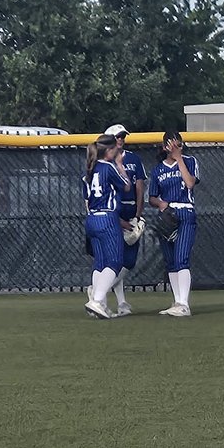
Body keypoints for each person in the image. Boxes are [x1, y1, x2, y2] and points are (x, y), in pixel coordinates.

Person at [147, 130, 200, 316]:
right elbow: (151, 197)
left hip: (185, 212)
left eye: (179, 144)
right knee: (170, 261)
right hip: (167, 214)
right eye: (172, 144)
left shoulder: (190, 161)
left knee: (181, 258)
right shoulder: (158, 170)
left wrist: (179, 158)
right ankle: (177, 301)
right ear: (164, 147)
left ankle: (184, 304)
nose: (176, 147)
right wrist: (161, 204)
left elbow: (190, 183)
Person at [82, 133, 130, 319]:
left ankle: (99, 303)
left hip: (92, 219)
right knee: (115, 261)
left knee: (100, 262)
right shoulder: (108, 166)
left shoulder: (89, 169)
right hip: (107, 218)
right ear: (109, 151)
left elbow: (87, 198)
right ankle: (97, 299)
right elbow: (126, 186)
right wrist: (120, 164)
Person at [103, 123, 146, 317]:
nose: (121, 139)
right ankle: (102, 294)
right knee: (118, 260)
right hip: (114, 213)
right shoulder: (106, 162)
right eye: (118, 136)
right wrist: (118, 219)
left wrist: (138, 215)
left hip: (130, 212)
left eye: (123, 137)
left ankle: (115, 299)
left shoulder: (133, 159)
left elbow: (139, 188)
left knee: (127, 261)